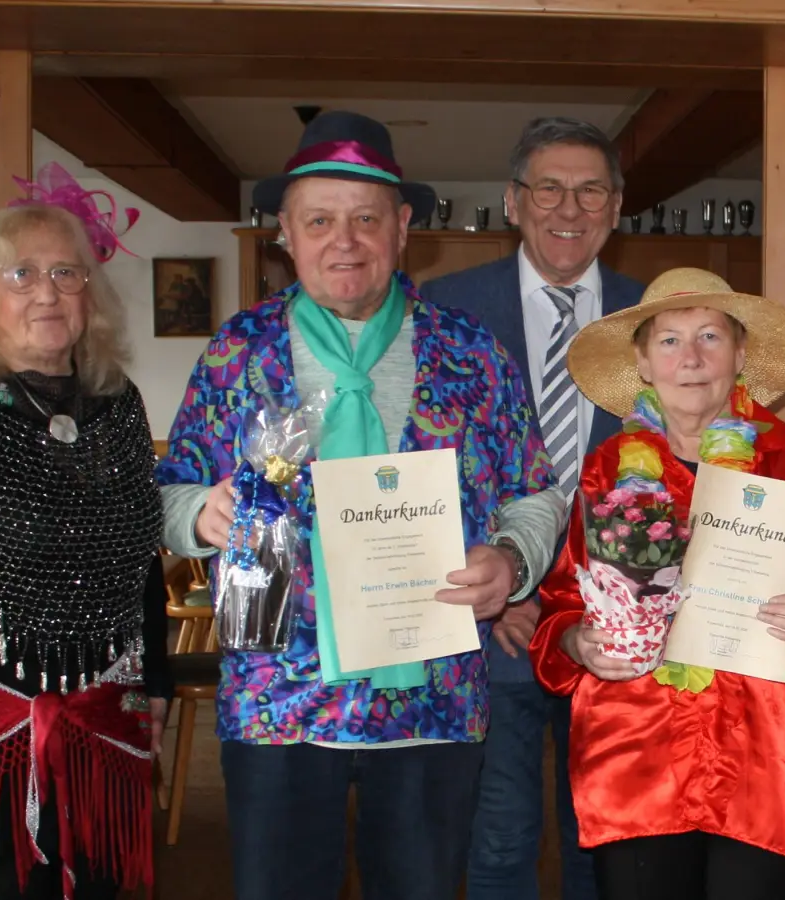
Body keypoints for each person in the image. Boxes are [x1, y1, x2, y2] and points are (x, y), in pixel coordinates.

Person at [155, 110, 557, 900]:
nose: (344, 240)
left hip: (430, 696)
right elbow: (169, 493)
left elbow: (533, 491)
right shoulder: (237, 352)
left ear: (402, 227)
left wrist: (511, 560)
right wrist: (199, 514)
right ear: (286, 233)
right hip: (278, 698)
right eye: (320, 221)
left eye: (365, 219)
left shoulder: (469, 353)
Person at [527, 268, 785, 900]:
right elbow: (560, 605)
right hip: (637, 755)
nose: (691, 359)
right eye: (669, 340)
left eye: (711, 337)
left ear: (741, 352)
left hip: (763, 755)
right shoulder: (606, 471)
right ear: (642, 360)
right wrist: (579, 643)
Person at [0, 200, 169, 899]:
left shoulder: (118, 403)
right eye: (20, 274)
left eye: (65, 272)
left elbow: (141, 559)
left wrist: (157, 684)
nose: (46, 291)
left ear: (91, 294)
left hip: (103, 739)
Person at [420, 117, 644, 900]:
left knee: (603, 838)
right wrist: (504, 588)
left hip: (617, 629)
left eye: (590, 190)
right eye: (549, 187)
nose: (569, 207)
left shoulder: (652, 318)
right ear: (514, 201)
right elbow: (419, 461)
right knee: (501, 835)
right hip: (496, 624)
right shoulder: (443, 309)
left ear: (616, 207)